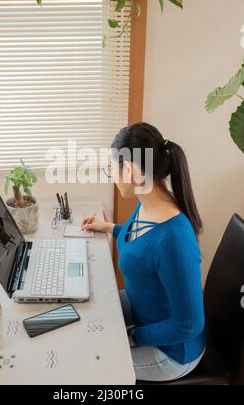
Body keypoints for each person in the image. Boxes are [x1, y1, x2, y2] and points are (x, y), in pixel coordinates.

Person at [81, 122, 206, 382]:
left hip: (172, 351)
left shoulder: (173, 240)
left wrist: (135, 336)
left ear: (129, 170)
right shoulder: (151, 200)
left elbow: (189, 324)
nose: (112, 177)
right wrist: (109, 228)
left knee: (92, 371)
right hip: (143, 312)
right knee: (88, 313)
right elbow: (140, 242)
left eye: (111, 169)